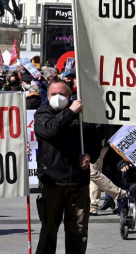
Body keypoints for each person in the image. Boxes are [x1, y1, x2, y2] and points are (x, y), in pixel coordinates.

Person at [34, 80, 101, 254]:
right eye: (53, 94)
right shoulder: (43, 114)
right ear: (47, 96)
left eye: (62, 94)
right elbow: (51, 130)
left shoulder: (84, 114)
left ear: (70, 96)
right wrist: (70, 112)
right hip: (52, 183)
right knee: (49, 231)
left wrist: (90, 155)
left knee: (77, 232)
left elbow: (96, 141)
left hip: (78, 183)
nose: (57, 97)